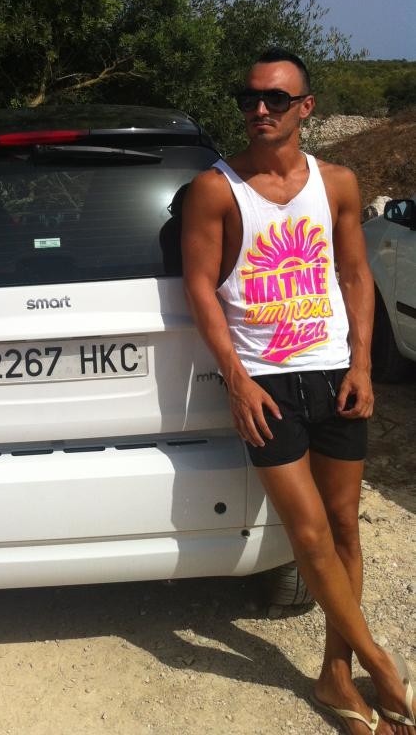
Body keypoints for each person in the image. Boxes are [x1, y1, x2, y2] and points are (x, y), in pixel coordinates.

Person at [181, 47, 415, 735]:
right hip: (267, 385)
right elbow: (199, 287)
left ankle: (336, 672)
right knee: (308, 532)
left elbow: (355, 275)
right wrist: (236, 379)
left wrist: (362, 363)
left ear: (305, 108)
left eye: (276, 99)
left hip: (335, 374)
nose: (260, 109)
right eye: (250, 98)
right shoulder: (216, 190)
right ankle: (380, 664)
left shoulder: (337, 182)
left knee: (345, 527)